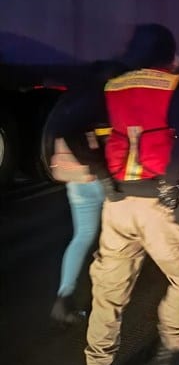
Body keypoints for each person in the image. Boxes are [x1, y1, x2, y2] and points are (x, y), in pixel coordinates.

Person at [84, 24, 179, 365]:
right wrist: (171, 185)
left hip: (117, 204)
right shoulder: (177, 85)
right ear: (170, 55)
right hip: (159, 204)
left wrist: (102, 175)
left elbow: (66, 127)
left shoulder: (112, 85)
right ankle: (172, 349)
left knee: (108, 291)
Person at [46, 60, 125, 325]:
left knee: (82, 236)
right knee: (115, 241)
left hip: (76, 180)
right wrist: (103, 173)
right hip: (100, 180)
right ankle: (105, 304)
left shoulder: (71, 101)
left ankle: (64, 297)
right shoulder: (101, 100)